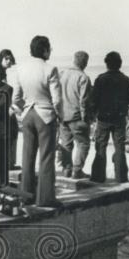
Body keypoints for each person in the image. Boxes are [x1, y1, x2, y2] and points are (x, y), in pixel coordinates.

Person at [12, 35, 62, 207]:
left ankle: (26, 196)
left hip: (28, 114)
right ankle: (45, 199)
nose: (51, 51)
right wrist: (59, 115)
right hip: (45, 115)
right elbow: (57, 100)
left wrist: (21, 113)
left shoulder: (21, 69)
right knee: (46, 157)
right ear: (45, 50)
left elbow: (15, 98)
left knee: (27, 157)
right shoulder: (50, 69)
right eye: (50, 48)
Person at [87, 51, 129, 184]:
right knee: (119, 147)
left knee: (100, 146)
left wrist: (93, 113)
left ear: (107, 64)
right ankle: (121, 177)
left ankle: (98, 176)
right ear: (120, 64)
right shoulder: (127, 80)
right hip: (119, 118)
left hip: (103, 118)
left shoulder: (100, 79)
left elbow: (93, 100)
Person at [57, 51, 93, 179]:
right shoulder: (83, 77)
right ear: (85, 62)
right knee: (83, 144)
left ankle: (67, 169)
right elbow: (84, 100)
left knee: (66, 143)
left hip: (62, 115)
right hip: (76, 116)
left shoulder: (62, 74)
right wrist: (86, 118)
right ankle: (77, 170)